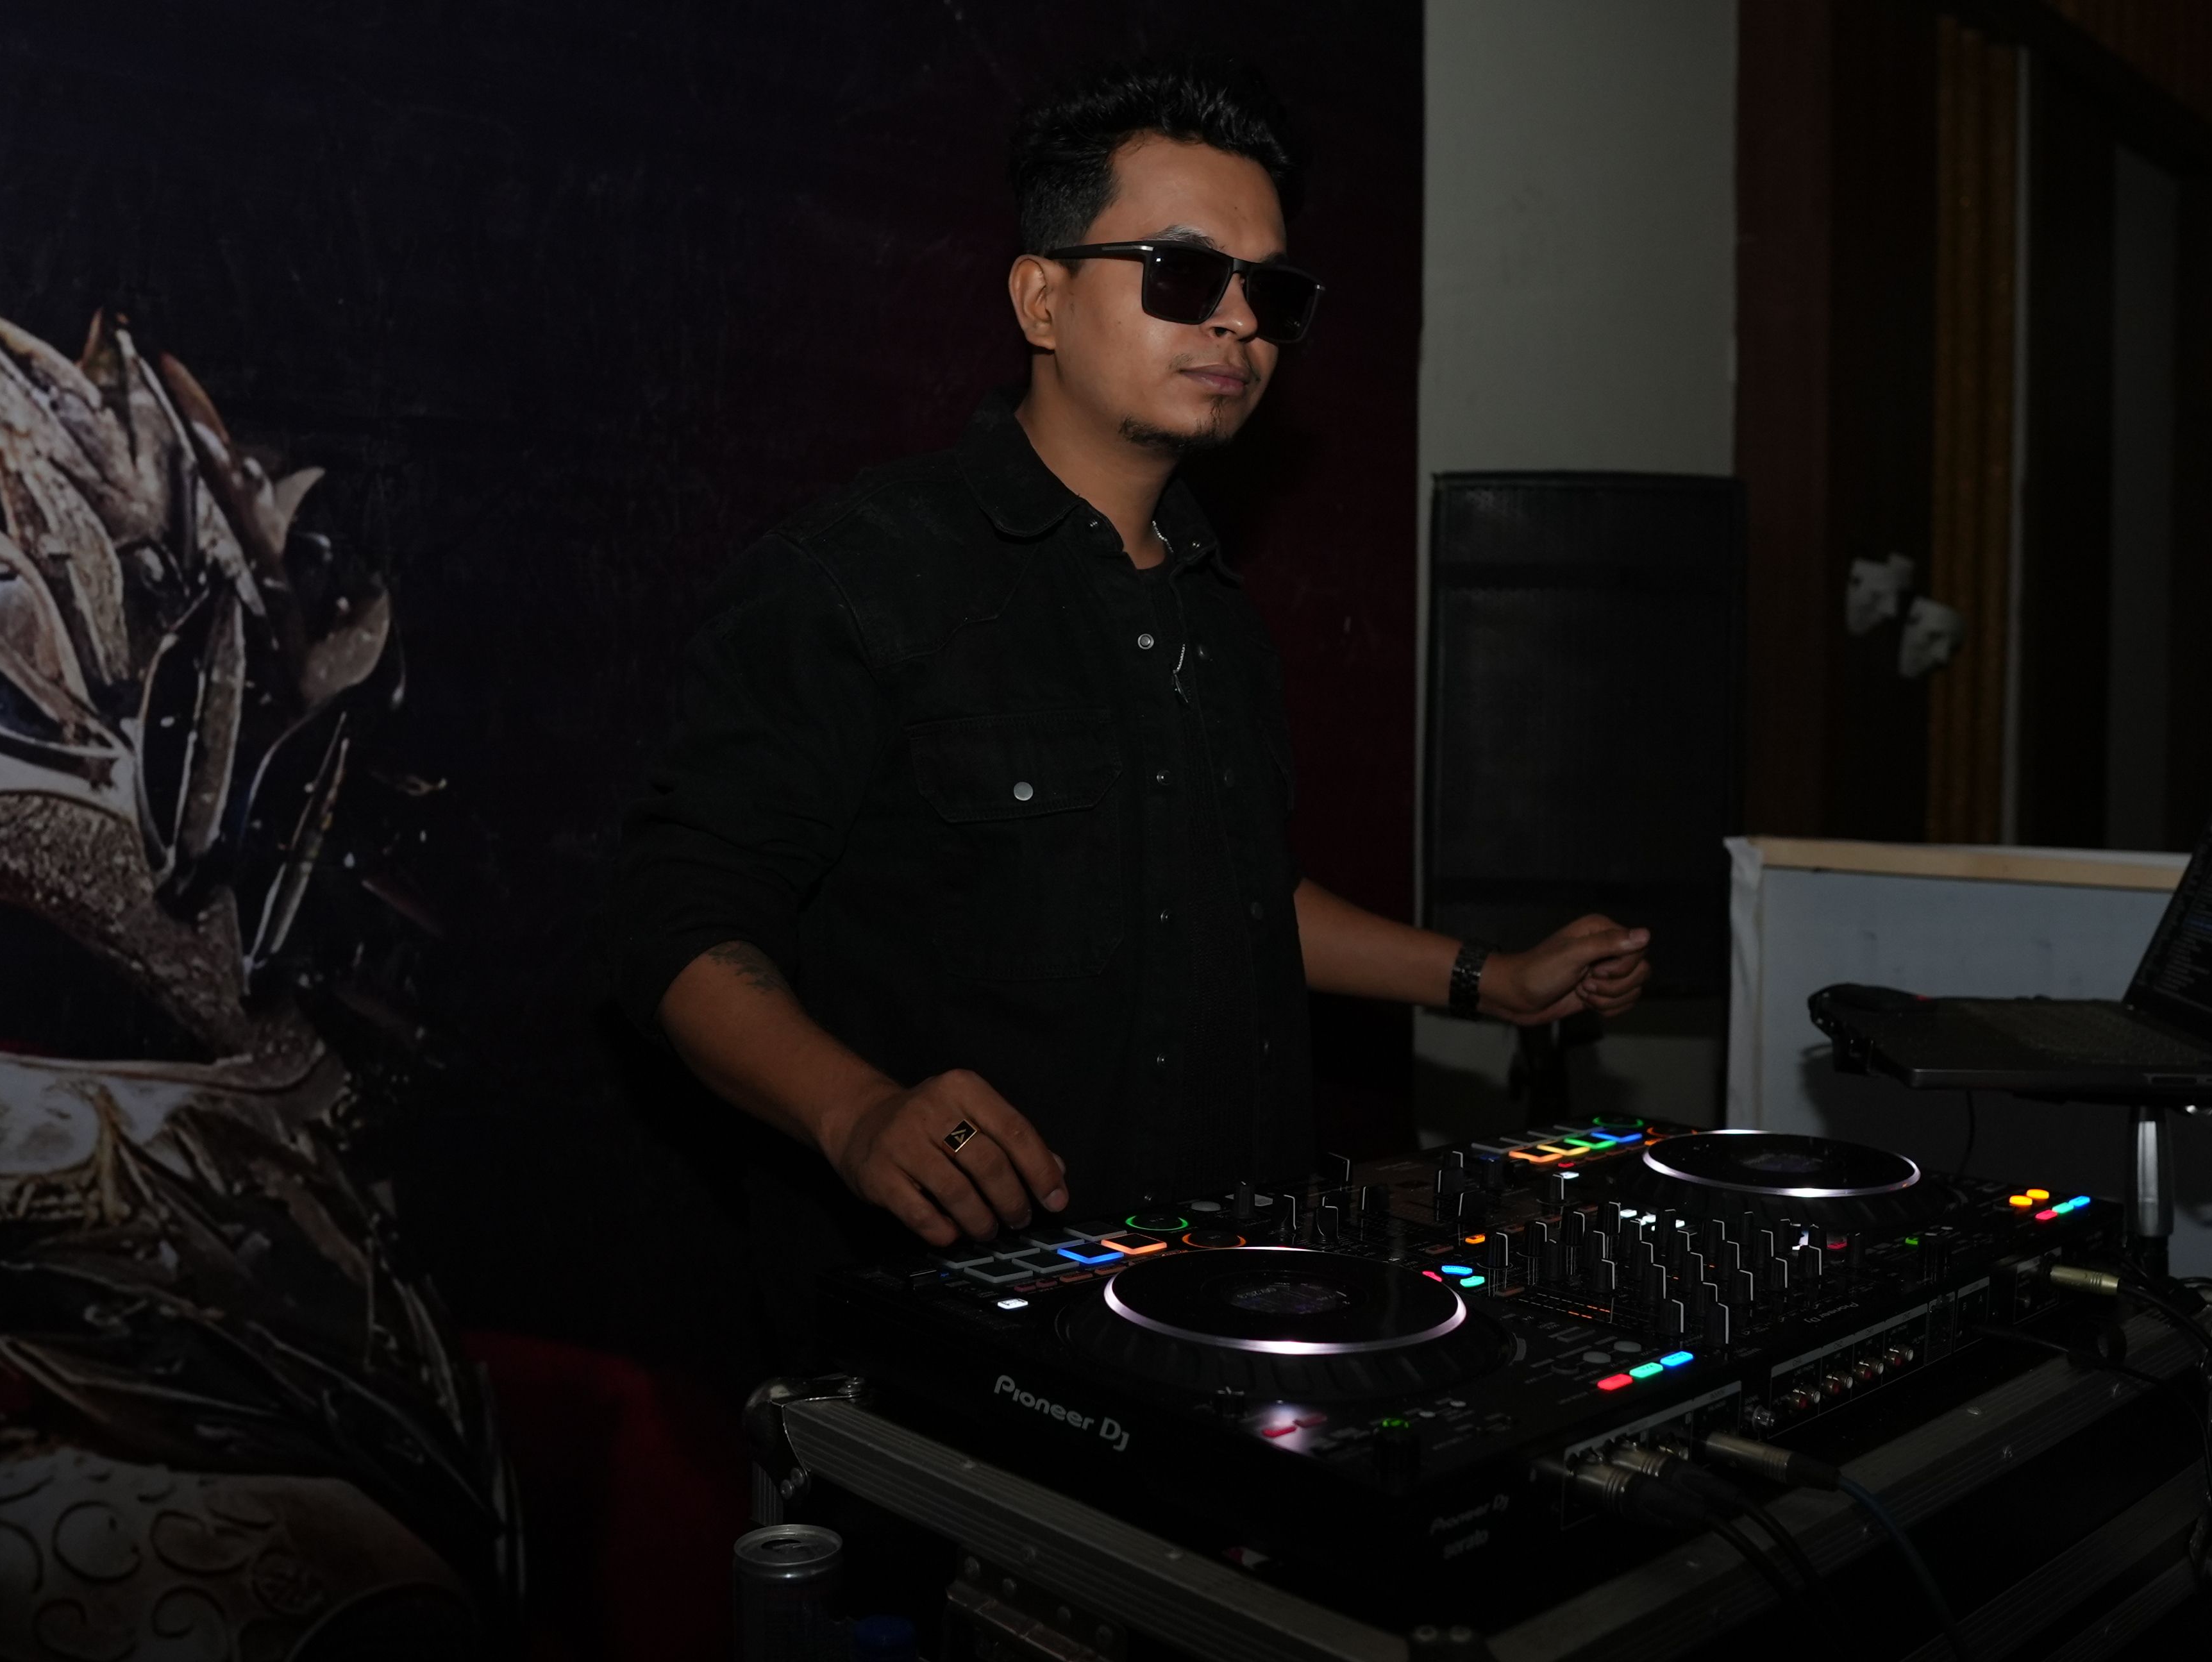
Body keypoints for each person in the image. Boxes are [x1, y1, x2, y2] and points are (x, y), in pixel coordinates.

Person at [618, 59, 1650, 1279]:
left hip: (1225, 1291)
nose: (1239, 322)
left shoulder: (1214, 607)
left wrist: (1496, 981)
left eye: (1270, 291)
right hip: (955, 1321)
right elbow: (678, 921)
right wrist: (857, 1112)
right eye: (1184, 273)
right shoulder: (857, 576)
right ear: (1041, 300)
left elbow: (1238, 893)